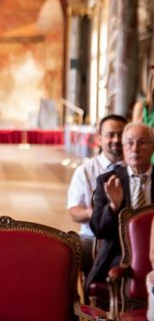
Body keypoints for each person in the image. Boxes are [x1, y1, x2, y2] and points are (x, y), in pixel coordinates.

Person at [88, 122, 154, 290]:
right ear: (124, 148)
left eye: (142, 142)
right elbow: (98, 230)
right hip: (119, 254)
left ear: (152, 146)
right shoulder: (108, 181)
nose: (135, 148)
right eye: (130, 143)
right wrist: (113, 206)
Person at [66, 114, 127, 275]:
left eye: (121, 134)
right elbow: (74, 211)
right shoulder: (85, 171)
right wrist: (98, 214)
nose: (116, 139)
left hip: (128, 239)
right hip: (91, 237)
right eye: (110, 135)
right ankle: (81, 298)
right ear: (99, 139)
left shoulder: (135, 168)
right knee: (68, 251)